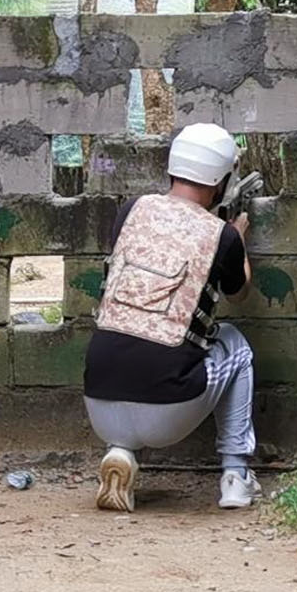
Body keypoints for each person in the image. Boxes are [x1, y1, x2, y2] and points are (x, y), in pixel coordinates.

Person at [83, 122, 259, 514]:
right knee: (235, 345)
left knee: (136, 335)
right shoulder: (222, 236)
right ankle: (236, 475)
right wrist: (239, 241)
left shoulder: (131, 210)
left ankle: (122, 452)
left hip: (99, 400)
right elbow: (240, 292)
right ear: (222, 179)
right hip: (167, 412)